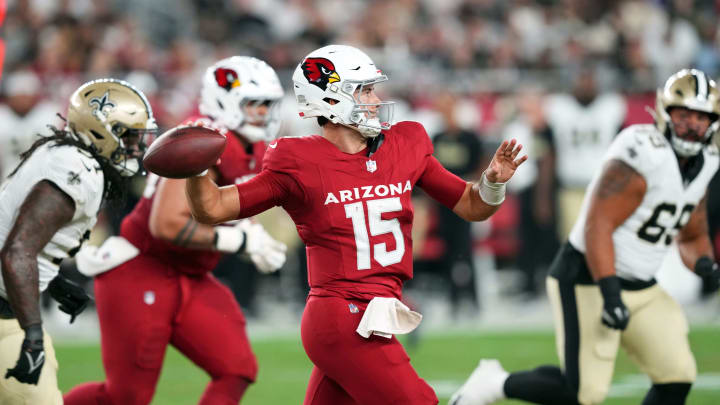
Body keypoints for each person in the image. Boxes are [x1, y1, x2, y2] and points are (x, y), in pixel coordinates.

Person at [184, 44, 526, 405]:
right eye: (363, 90)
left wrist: (493, 181)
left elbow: (472, 206)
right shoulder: (297, 161)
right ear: (330, 99)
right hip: (341, 317)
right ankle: (476, 394)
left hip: (376, 315)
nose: (375, 100)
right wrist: (193, 166)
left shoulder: (404, 144)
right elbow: (213, 207)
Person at [450, 68, 720, 405]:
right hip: (588, 276)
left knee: (677, 375)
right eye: (685, 114)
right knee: (582, 392)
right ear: (665, 113)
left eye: (702, 117)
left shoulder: (708, 159)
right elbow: (598, 227)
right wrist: (610, 294)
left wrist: (707, 263)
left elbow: (692, 231)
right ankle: (495, 382)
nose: (693, 124)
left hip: (642, 282)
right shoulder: (642, 149)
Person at [63, 56, 287, 405]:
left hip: (191, 275)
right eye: (254, 104)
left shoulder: (251, 144)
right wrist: (239, 240)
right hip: (141, 269)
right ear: (224, 102)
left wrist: (256, 236)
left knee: (237, 368)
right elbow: (166, 222)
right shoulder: (202, 138)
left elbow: (233, 201)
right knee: (126, 397)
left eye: (267, 105)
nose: (262, 113)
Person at [0, 78, 157, 404]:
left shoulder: (62, 152)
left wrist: (52, 281)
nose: (136, 148)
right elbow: (17, 250)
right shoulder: (78, 169)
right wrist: (32, 337)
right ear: (103, 130)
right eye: (129, 136)